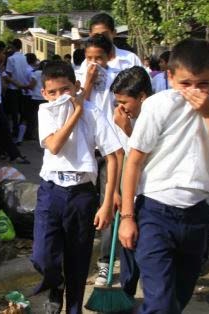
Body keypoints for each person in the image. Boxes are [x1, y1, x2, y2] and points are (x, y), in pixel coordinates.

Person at [118, 38, 209, 313]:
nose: (194, 92)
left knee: (178, 299)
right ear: (170, 77)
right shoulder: (158, 106)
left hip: (197, 215)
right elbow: (133, 162)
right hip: (154, 213)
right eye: (186, 84)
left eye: (203, 84)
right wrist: (127, 217)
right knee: (160, 302)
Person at [30, 61, 121, 313]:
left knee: (78, 260)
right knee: (42, 256)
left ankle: (73, 308)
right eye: (53, 92)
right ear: (44, 94)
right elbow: (55, 145)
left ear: (76, 86)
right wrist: (75, 113)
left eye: (65, 89)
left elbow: (114, 154)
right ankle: (55, 284)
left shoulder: (93, 113)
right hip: (51, 190)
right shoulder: (45, 112)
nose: (59, 96)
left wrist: (108, 200)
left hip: (82, 194)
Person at [79, 34, 123, 287]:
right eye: (89, 58)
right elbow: (76, 107)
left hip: (112, 151)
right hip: (86, 151)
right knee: (85, 206)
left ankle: (106, 262)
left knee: (110, 203)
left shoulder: (118, 78)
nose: (94, 63)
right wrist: (86, 82)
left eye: (99, 58)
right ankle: (81, 260)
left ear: (109, 57)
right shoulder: (79, 75)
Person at [110, 65, 153, 299]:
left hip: (152, 199)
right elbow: (121, 157)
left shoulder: (157, 118)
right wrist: (116, 191)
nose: (121, 108)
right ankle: (126, 297)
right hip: (131, 197)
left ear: (142, 97)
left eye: (124, 102)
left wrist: (128, 130)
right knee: (127, 250)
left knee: (148, 256)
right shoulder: (124, 118)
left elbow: (146, 160)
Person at [0, 40, 29, 164]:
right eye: (2, 52)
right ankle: (14, 155)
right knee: (5, 128)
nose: (4, 55)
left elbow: (2, 81)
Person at [4, 39, 29, 137]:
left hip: (13, 88)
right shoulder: (24, 57)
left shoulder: (11, 59)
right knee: (20, 111)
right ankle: (20, 133)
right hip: (23, 88)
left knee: (13, 112)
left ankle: (15, 131)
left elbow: (8, 73)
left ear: (13, 47)